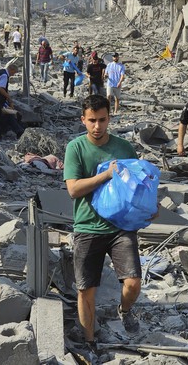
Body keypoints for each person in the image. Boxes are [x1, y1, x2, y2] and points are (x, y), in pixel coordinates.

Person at [64, 94, 148, 350]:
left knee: (133, 283)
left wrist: (148, 209)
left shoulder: (123, 148)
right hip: (88, 226)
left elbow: (137, 185)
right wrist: (106, 175)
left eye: (102, 120)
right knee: (85, 289)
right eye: (92, 121)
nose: (97, 126)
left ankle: (123, 309)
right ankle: (90, 340)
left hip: (120, 226)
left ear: (110, 118)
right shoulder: (75, 148)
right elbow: (74, 189)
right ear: (83, 120)